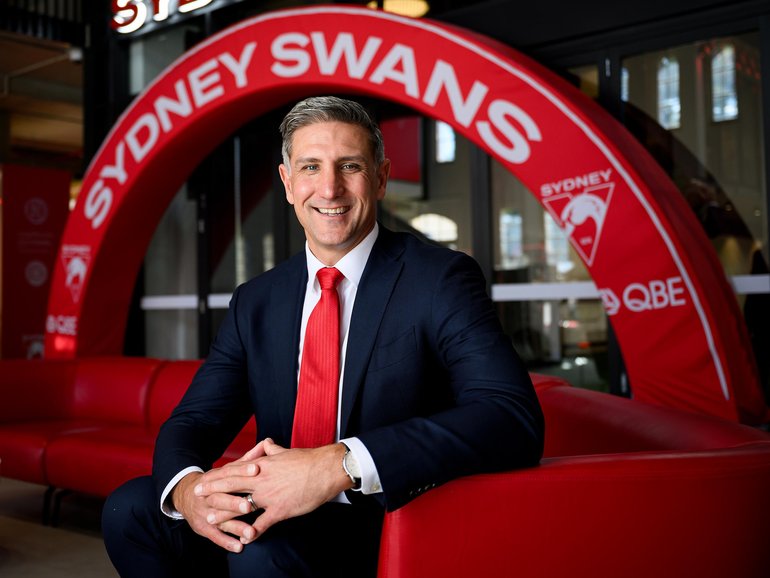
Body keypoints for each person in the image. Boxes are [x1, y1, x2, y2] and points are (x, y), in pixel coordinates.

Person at [103, 95, 544, 578]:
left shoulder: (439, 279)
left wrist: (339, 464)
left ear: (379, 177)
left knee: (262, 556)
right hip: (274, 506)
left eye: (349, 165)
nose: (329, 188)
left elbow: (511, 417)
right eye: (310, 167)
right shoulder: (258, 299)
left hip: (382, 514)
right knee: (133, 510)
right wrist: (190, 492)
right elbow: (195, 420)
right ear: (288, 183)